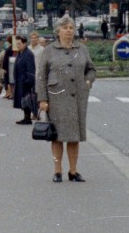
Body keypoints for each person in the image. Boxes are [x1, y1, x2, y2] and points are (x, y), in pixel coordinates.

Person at [37, 14, 96, 182]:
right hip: (56, 99)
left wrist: (87, 81)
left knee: (73, 136)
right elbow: (41, 76)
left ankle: (73, 170)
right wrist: (42, 99)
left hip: (77, 98)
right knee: (56, 136)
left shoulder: (81, 49)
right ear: (58, 31)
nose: (69, 31)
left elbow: (91, 69)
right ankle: (57, 171)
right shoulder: (50, 50)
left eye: (71, 28)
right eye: (65, 28)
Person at [12, 36, 37, 124]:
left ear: (24, 43)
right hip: (20, 80)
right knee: (23, 100)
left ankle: (28, 118)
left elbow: (31, 69)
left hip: (26, 81)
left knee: (27, 99)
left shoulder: (28, 54)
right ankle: (26, 117)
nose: (18, 46)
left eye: (19, 44)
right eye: (17, 44)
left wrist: (28, 81)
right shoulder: (20, 53)